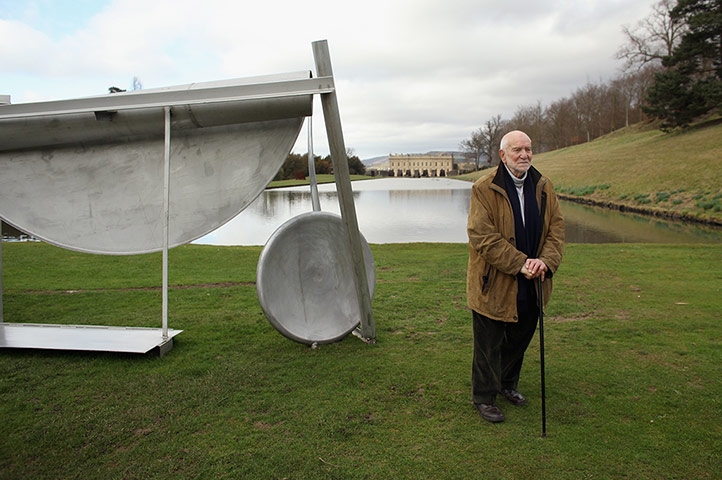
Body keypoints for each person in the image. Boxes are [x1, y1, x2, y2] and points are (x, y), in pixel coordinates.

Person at [466, 130, 565, 423]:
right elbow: (481, 236)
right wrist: (520, 263)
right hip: (493, 282)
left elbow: (556, 230)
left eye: (528, 149)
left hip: (534, 279)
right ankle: (484, 397)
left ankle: (508, 384)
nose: (524, 155)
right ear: (503, 155)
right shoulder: (484, 188)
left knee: (520, 338)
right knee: (489, 342)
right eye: (517, 150)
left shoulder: (544, 186)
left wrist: (546, 261)